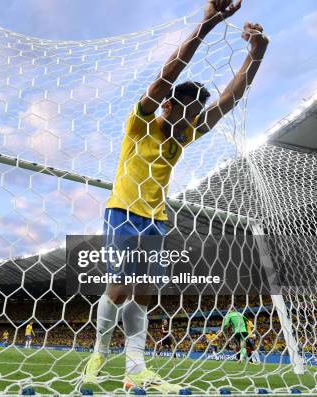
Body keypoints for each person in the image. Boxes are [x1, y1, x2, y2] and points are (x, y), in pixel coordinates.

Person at [83, 0, 269, 392]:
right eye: (182, 115)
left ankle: (136, 370)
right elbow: (166, 77)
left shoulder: (184, 136)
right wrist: (206, 25)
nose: (187, 125)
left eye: (191, 120)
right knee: (119, 288)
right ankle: (97, 355)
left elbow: (228, 102)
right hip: (123, 211)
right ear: (167, 105)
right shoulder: (141, 123)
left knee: (145, 294)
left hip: (156, 218)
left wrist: (255, 56)